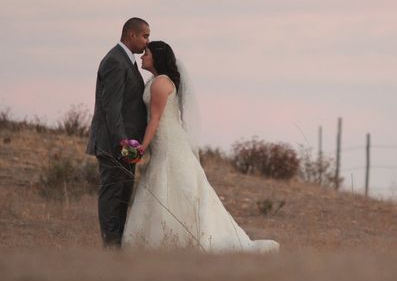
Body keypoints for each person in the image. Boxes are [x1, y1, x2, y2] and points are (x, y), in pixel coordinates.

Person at [122, 41, 279, 253]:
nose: (142, 56)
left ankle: (181, 237)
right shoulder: (155, 81)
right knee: (167, 185)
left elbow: (155, 119)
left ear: (156, 57)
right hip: (163, 145)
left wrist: (141, 147)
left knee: (174, 186)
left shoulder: (160, 83)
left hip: (169, 144)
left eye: (146, 53)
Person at [86, 18, 150, 247]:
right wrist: (123, 143)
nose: (147, 41)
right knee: (112, 198)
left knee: (122, 198)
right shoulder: (115, 61)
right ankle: (111, 248)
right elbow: (111, 109)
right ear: (131, 35)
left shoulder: (126, 60)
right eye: (145, 36)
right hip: (114, 146)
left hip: (125, 147)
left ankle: (117, 249)